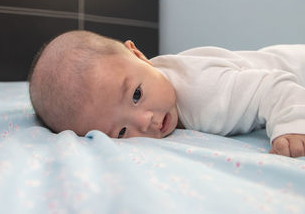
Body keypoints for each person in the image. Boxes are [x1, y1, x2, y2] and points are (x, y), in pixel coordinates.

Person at [28, 30, 305, 157]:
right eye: (121, 132)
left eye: (136, 95)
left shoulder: (206, 92)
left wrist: (291, 127)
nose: (145, 120)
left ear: (138, 55)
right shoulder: (145, 76)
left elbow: (277, 87)